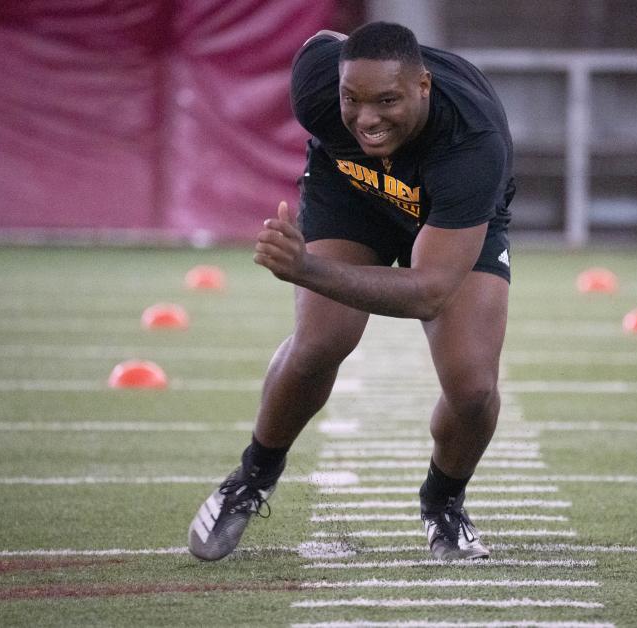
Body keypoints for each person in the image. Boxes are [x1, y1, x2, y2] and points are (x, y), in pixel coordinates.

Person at [188, 21, 515, 562]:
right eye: (352, 99)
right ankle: (253, 475)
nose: (367, 118)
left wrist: (304, 267)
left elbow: (428, 292)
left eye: (387, 99)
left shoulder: (472, 144)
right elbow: (323, 41)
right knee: (319, 340)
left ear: (424, 86)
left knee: (473, 388)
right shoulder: (317, 86)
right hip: (353, 191)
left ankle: (443, 503)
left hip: (445, 213)